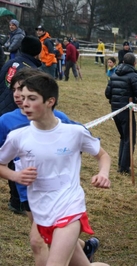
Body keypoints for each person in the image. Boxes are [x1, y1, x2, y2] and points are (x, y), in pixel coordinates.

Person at [0, 72, 111, 266]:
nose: (24, 103)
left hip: (69, 208)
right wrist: (15, 175)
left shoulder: (74, 132)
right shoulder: (18, 136)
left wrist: (103, 173)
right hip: (40, 211)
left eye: (31, 98)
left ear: (50, 101)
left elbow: (103, 155)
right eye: (22, 97)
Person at [0, 35, 42, 215]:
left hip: (3, 111)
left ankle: (17, 199)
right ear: (38, 52)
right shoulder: (32, 72)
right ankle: (18, 200)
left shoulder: (10, 63)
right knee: (17, 159)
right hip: (18, 118)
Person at [105, 53, 137, 174]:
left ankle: (121, 164)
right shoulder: (133, 75)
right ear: (134, 63)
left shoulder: (114, 73)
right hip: (126, 111)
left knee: (124, 137)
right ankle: (123, 167)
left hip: (115, 110)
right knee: (129, 139)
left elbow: (107, 93)